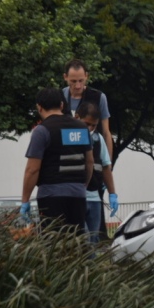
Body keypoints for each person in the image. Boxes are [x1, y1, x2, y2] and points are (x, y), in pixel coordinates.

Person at [21, 87, 94, 232]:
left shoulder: (41, 131)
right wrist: (82, 185)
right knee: (76, 243)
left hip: (51, 196)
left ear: (39, 107)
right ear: (62, 105)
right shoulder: (82, 128)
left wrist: (25, 200)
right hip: (78, 195)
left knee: (54, 245)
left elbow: (32, 169)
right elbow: (90, 161)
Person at [75, 102, 119, 244]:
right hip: (76, 196)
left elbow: (106, 167)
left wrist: (112, 193)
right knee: (83, 238)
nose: (89, 128)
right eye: (86, 124)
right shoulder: (70, 137)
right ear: (77, 117)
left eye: (93, 125)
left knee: (93, 239)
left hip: (94, 197)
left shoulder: (98, 139)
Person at [61, 59, 113, 159]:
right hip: (66, 158)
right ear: (65, 77)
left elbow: (106, 132)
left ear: (86, 76)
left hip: (93, 156)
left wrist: (108, 163)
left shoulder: (99, 97)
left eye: (81, 80)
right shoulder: (60, 97)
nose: (77, 86)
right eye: (73, 81)